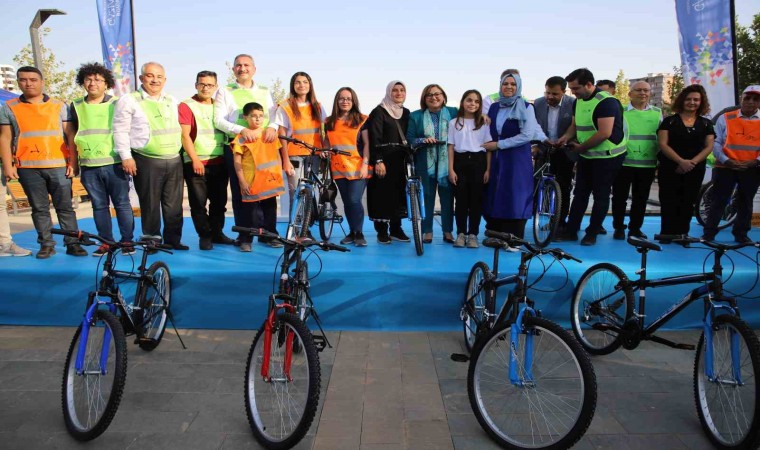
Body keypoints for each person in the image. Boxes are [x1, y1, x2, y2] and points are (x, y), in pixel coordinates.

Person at [0, 66, 86, 259]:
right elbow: (5, 138)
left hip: (58, 166)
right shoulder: (9, 107)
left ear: (42, 82)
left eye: (33, 79)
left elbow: (70, 134)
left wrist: (73, 161)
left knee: (65, 207)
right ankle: (46, 244)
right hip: (28, 168)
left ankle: (73, 243)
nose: (28, 83)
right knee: (39, 209)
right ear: (18, 82)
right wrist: (8, 165)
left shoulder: (59, 105)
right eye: (23, 80)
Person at [113, 61, 187, 250]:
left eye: (159, 77)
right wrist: (126, 156)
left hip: (173, 159)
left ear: (165, 80)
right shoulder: (129, 100)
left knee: (174, 204)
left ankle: (173, 239)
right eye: (150, 76)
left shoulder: (172, 100)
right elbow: (120, 130)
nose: (155, 80)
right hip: (147, 159)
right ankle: (151, 240)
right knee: (150, 203)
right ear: (141, 78)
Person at [556, 68, 627, 246]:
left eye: (576, 88)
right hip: (587, 156)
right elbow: (575, 125)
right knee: (580, 193)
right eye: (571, 89)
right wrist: (565, 137)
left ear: (589, 84)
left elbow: (604, 133)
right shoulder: (578, 101)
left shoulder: (607, 102)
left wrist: (580, 148)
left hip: (607, 157)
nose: (573, 92)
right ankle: (571, 231)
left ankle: (592, 232)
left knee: (601, 195)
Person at [70, 62, 134, 256]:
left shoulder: (117, 103)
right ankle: (106, 242)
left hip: (114, 163)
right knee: (99, 206)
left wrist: (127, 157)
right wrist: (74, 163)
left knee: (122, 204)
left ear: (106, 83)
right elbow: (72, 134)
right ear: (83, 82)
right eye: (88, 79)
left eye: (98, 79)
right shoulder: (75, 106)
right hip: (89, 166)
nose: (93, 83)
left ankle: (127, 241)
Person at [214, 54, 278, 245]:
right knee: (243, 191)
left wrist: (273, 127)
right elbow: (218, 120)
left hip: (264, 148)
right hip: (238, 148)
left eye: (246, 65)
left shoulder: (265, 92)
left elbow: (275, 116)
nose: (243, 68)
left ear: (254, 69)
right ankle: (245, 236)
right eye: (238, 65)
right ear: (233, 69)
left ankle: (269, 234)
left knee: (268, 192)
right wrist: (242, 130)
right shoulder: (224, 91)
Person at [482, 72, 539, 244]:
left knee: (516, 194)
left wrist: (499, 145)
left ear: (518, 87)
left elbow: (527, 135)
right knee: (496, 192)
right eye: (505, 84)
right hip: (497, 158)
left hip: (516, 158)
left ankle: (514, 237)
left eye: (513, 84)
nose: (508, 87)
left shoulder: (527, 108)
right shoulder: (494, 107)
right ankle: (496, 234)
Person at [702, 85, 760, 243]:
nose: (751, 102)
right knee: (718, 201)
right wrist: (727, 160)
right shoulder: (726, 117)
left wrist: (754, 162)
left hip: (752, 169)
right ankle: (708, 235)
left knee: (746, 202)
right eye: (747, 97)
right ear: (741, 98)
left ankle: (741, 234)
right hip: (726, 167)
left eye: (756, 99)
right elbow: (716, 142)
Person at [180, 71, 230, 251]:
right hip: (196, 162)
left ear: (216, 87)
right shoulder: (187, 105)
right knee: (198, 203)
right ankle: (205, 236)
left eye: (210, 85)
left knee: (219, 203)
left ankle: (217, 233)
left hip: (219, 162)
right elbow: (185, 135)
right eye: (202, 84)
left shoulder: (220, 106)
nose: (206, 88)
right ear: (196, 85)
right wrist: (194, 159)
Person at [656, 84, 714, 239]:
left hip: (694, 169)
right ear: (682, 101)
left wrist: (691, 163)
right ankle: (667, 233)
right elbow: (663, 144)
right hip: (670, 168)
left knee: (687, 202)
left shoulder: (706, 124)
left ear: (701, 102)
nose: (692, 102)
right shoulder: (669, 122)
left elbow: (709, 146)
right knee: (669, 200)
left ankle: (683, 234)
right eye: (688, 99)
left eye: (696, 99)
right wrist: (681, 161)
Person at [232, 102, 287, 252]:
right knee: (249, 213)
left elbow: (277, 156)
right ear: (245, 118)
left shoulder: (269, 135)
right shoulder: (241, 138)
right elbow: (237, 162)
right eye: (253, 116)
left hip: (269, 181)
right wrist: (242, 181)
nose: (257, 119)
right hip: (251, 182)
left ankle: (270, 236)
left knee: (270, 210)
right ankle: (246, 239)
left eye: (261, 116)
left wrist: (278, 175)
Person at [611, 81, 661, 240]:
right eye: (638, 90)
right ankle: (619, 228)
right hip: (623, 162)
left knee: (641, 199)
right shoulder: (621, 111)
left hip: (647, 164)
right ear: (630, 94)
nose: (643, 93)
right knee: (619, 198)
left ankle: (635, 229)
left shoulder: (657, 112)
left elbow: (660, 138)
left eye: (646, 90)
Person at [407, 84, 457, 243]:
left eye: (437, 94)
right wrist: (423, 140)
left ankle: (448, 231)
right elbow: (410, 140)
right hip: (424, 162)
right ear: (424, 98)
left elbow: (471, 120)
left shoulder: (454, 112)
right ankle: (427, 231)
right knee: (426, 197)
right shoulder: (416, 116)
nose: (433, 97)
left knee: (448, 199)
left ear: (443, 96)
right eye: (429, 95)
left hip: (448, 163)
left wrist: (483, 117)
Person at [274, 72, 328, 208]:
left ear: (310, 85)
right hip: (294, 156)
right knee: (296, 193)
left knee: (310, 191)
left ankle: (306, 226)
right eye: (298, 82)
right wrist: (285, 160)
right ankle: (296, 227)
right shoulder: (285, 106)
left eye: (305, 82)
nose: (301, 85)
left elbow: (324, 133)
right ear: (293, 85)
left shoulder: (318, 106)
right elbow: (282, 134)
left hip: (314, 155)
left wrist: (324, 151)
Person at [366, 81, 411, 244]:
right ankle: (382, 231)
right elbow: (374, 137)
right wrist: (378, 160)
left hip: (400, 161)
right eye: (395, 90)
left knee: (398, 195)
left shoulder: (406, 113)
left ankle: (396, 229)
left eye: (402, 90)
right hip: (383, 161)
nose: (399, 93)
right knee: (381, 195)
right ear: (388, 92)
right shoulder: (379, 111)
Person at [324, 87, 369, 247]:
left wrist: (365, 164)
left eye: (348, 99)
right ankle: (351, 232)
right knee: (346, 201)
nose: (345, 101)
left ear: (353, 101)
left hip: (358, 166)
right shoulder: (329, 122)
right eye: (342, 98)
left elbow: (367, 144)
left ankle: (359, 233)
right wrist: (325, 149)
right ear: (337, 101)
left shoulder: (362, 119)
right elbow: (328, 141)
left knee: (354, 200)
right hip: (338, 167)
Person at [447, 90, 491, 248]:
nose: (472, 104)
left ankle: (473, 234)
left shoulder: (484, 123)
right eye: (469, 100)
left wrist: (488, 170)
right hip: (460, 162)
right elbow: (451, 147)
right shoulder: (454, 123)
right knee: (461, 201)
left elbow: (488, 148)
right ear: (462, 102)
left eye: (476, 101)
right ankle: (461, 233)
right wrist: (451, 169)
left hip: (479, 162)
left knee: (476, 201)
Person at [533, 76, 576, 232]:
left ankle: (559, 222)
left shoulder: (572, 104)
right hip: (544, 150)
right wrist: (537, 145)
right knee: (539, 184)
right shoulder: (538, 103)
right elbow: (533, 126)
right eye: (547, 93)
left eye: (554, 94)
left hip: (564, 152)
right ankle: (539, 217)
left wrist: (565, 141)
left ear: (564, 92)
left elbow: (575, 127)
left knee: (563, 188)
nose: (550, 97)